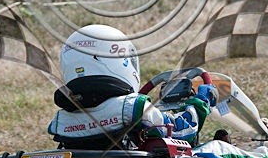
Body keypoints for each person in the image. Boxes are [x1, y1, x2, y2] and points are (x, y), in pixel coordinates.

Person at [47, 24, 217, 149]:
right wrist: (201, 102)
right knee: (219, 148)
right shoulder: (133, 106)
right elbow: (183, 131)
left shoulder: (60, 121)